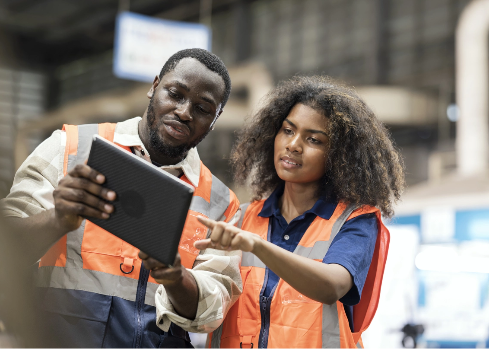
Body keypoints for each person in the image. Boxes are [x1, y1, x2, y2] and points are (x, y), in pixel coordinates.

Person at [1, 48, 243, 349]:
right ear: (154, 87)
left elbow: (214, 307)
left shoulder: (221, 203)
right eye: (175, 93)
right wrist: (57, 218)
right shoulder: (71, 149)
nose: (184, 112)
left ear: (216, 119)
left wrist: (177, 278)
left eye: (203, 108)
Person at [193, 76, 405, 348]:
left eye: (314, 139)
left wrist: (257, 246)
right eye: (287, 130)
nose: (293, 145)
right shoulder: (241, 217)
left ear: (338, 156)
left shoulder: (355, 222)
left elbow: (332, 287)